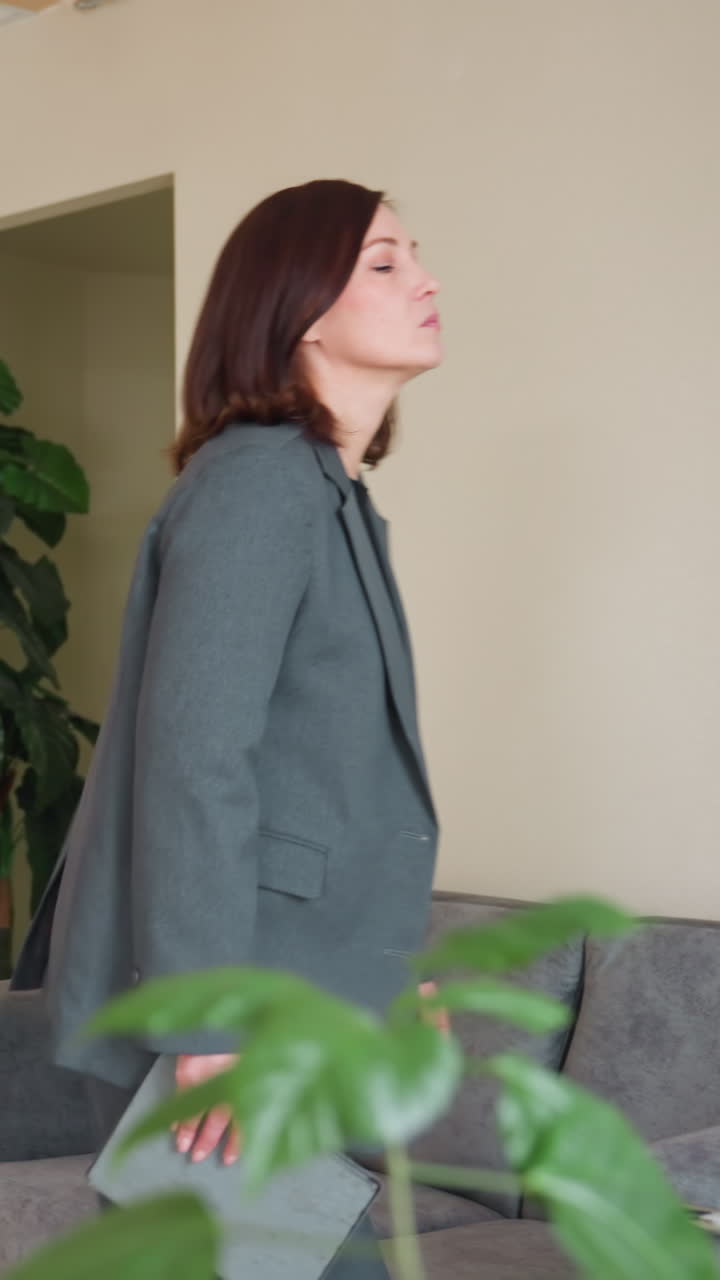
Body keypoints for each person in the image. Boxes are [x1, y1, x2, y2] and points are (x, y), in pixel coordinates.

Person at [11, 178, 446, 1277]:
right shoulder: (259, 486)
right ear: (300, 311)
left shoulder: (331, 496)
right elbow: (195, 760)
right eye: (385, 262)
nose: (425, 280)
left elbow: (318, 787)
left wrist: (389, 970)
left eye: (414, 255)